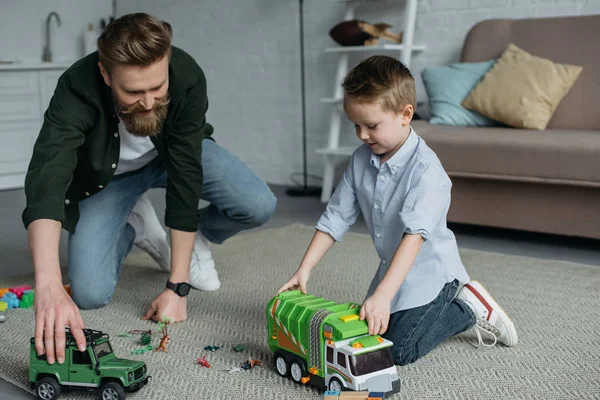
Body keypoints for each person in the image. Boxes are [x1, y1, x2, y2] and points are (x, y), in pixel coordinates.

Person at [23, 13, 276, 365]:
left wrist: (177, 287)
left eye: (157, 88)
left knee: (258, 203)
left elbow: (187, 175)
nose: (147, 102)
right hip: (107, 179)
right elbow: (46, 178)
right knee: (89, 293)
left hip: (172, 158)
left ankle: (195, 235)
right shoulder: (76, 86)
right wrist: (48, 283)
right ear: (105, 75)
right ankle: (135, 226)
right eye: (132, 91)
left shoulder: (185, 75)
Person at [277, 55, 517, 366]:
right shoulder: (361, 159)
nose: (362, 135)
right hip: (392, 270)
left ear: (405, 114)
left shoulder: (427, 172)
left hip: (433, 275)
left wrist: (383, 295)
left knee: (397, 352)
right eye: (356, 125)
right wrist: (305, 268)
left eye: (372, 126)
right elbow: (336, 216)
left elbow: (413, 238)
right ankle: (411, 304)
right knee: (364, 340)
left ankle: (468, 307)